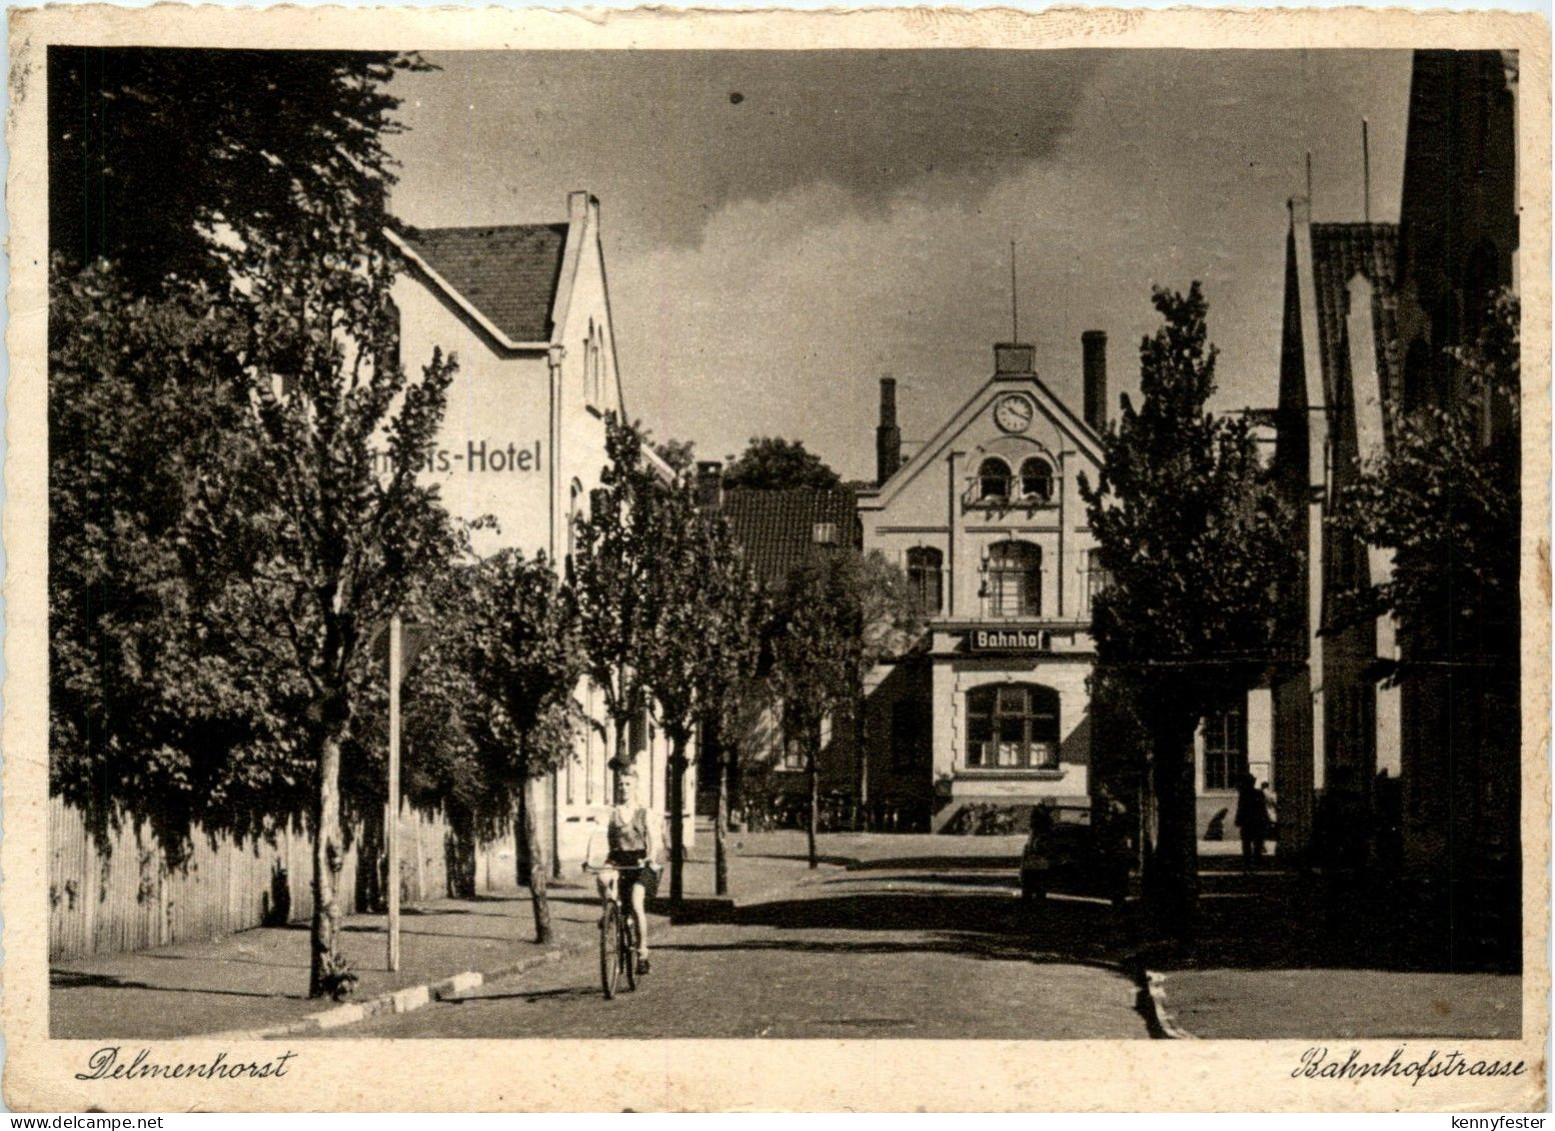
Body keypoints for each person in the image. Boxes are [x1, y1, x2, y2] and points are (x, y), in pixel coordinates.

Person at [591, 763, 663, 975]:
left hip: (640, 862)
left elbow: (654, 839)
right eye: (620, 784)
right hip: (618, 859)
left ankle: (642, 952)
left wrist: (651, 856)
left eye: (628, 784)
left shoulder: (644, 813)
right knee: (602, 879)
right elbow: (597, 834)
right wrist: (590, 855)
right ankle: (608, 913)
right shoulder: (612, 813)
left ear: (635, 787)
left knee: (636, 902)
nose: (623, 787)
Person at [1234, 772, 1270, 871]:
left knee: (1246, 842)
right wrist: (1265, 819)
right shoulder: (1259, 793)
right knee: (1257, 842)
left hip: (1248, 821)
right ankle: (1257, 859)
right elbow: (1263, 808)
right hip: (1258, 821)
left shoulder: (1244, 794)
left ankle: (1248, 861)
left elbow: (1241, 808)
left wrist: (1238, 819)